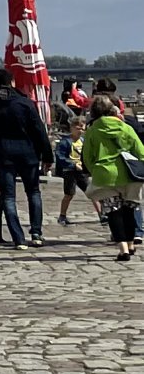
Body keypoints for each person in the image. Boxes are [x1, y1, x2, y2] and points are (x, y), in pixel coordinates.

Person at [0, 74, 53, 248]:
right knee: (33, 192)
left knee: (8, 197)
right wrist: (47, 155)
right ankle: (36, 233)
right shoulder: (24, 102)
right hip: (28, 153)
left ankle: (18, 238)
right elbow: (39, 130)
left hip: (3, 155)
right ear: (13, 81)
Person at [77, 83, 144, 263]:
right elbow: (141, 151)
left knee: (113, 211)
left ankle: (122, 248)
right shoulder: (125, 127)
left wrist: (94, 170)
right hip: (130, 175)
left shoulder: (92, 131)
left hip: (105, 174)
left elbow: (88, 157)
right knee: (130, 209)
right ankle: (131, 244)